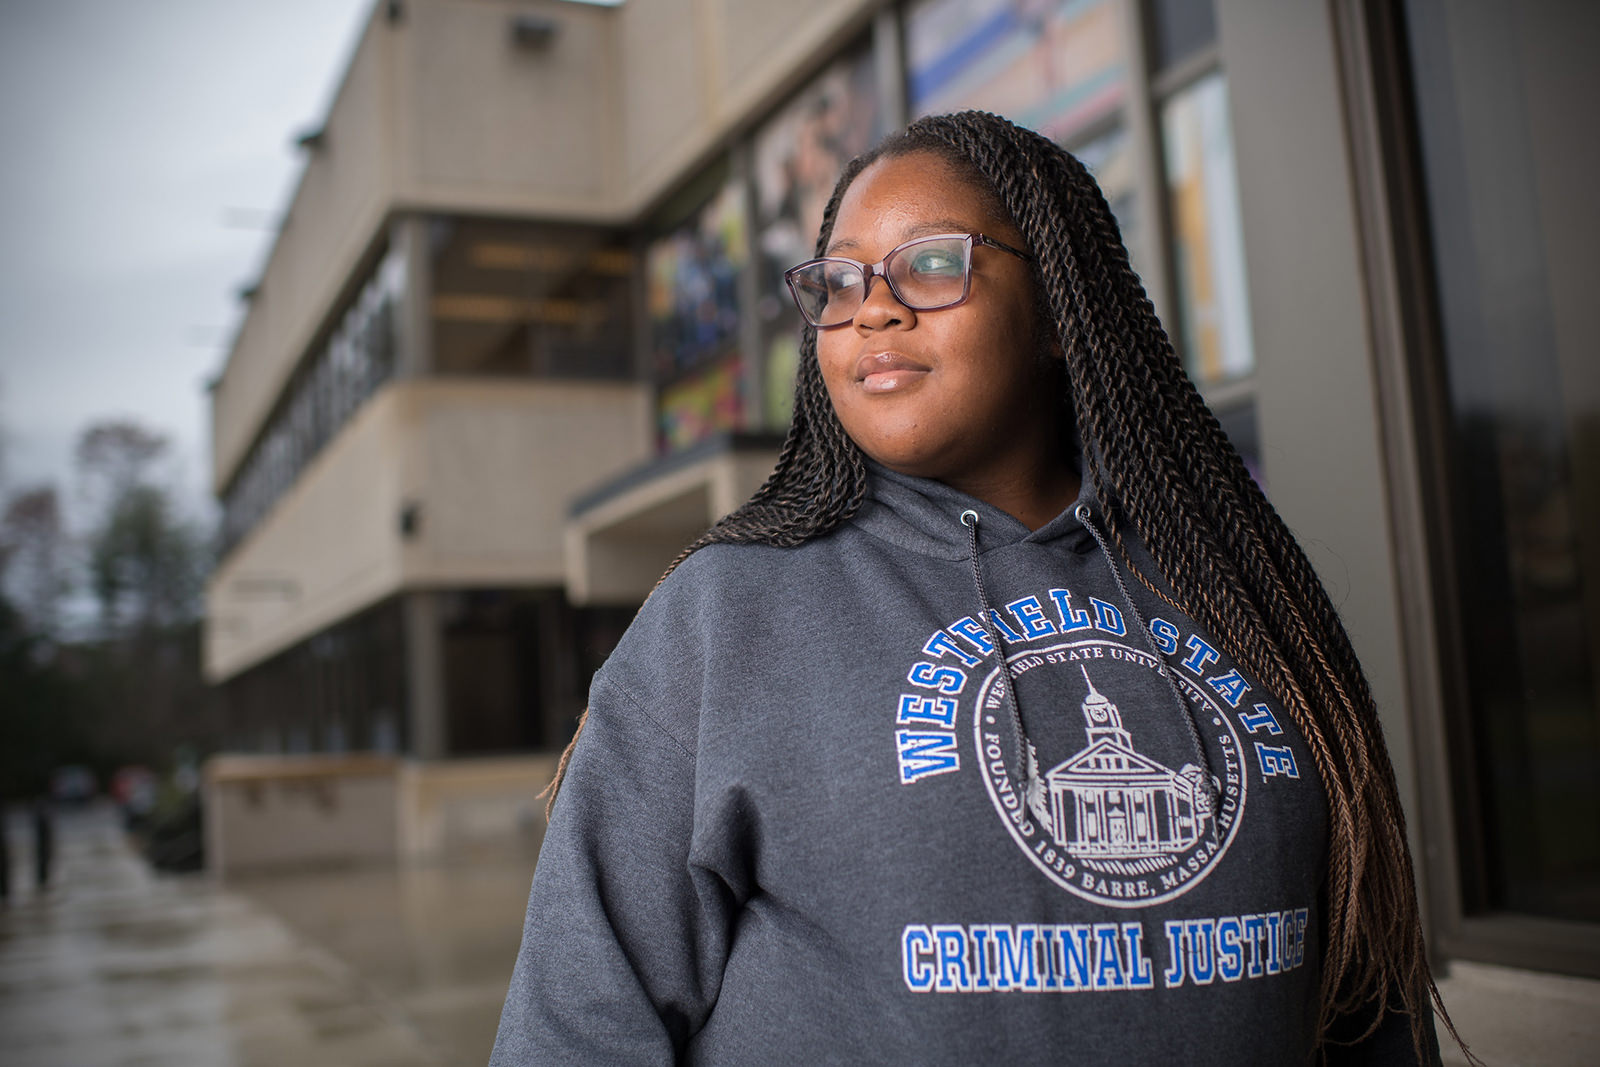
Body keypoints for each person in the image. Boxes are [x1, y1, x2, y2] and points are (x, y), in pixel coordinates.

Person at [492, 110, 1467, 1065]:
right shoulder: (727, 614)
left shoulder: (1236, 589)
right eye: (839, 281)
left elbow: (1362, 990)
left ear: (1055, 308)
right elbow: (577, 1022)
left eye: (929, 263)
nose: (873, 305)